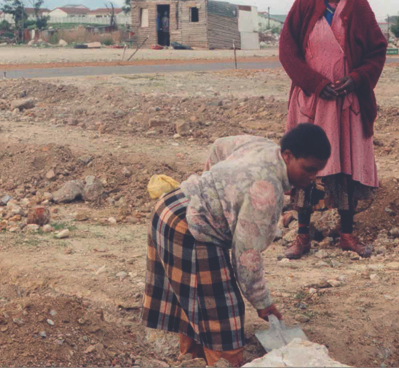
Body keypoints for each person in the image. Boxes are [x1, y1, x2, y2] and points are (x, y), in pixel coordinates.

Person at [141, 124, 331, 366]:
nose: (312, 177)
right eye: (309, 169)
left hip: (172, 205)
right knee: (222, 311)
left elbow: (220, 145)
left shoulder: (261, 145)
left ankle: (192, 360)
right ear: (288, 156)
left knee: (197, 296)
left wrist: (212, 186)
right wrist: (262, 303)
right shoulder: (265, 191)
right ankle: (222, 362)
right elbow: (246, 258)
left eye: (318, 171)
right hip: (188, 226)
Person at [278, 0, 388, 259]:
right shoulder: (303, 6)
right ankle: (301, 237)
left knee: (347, 165)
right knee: (303, 165)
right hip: (312, 100)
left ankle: (347, 234)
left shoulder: (361, 8)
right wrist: (316, 83)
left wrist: (356, 78)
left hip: (347, 102)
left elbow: (376, 51)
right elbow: (288, 52)